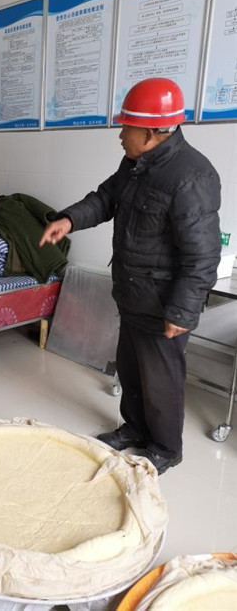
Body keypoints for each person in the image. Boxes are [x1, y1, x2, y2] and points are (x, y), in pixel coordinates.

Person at [40, 78, 221, 474]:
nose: (120, 135)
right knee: (132, 370)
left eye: (127, 127)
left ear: (152, 132)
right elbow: (105, 198)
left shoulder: (191, 176)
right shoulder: (136, 164)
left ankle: (166, 448)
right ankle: (135, 428)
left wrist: (182, 311)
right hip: (133, 293)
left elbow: (203, 254)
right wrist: (69, 219)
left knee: (161, 380)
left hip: (163, 302)